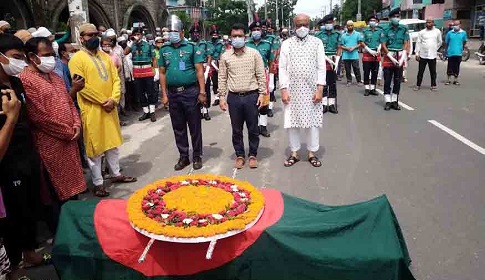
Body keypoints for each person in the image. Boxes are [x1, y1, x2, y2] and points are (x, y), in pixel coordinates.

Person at [20, 37, 87, 231]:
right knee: (56, 193)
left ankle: (75, 228)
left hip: (69, 141)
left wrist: (76, 124)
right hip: (49, 145)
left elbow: (69, 102)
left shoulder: (55, 77)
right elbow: (38, 116)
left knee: (72, 191)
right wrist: (67, 131)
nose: (51, 59)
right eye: (46, 55)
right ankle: (62, 234)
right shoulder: (26, 80)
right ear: (32, 57)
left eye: (53, 55)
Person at [69, 23, 137, 197]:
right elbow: (81, 86)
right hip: (92, 110)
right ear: (81, 38)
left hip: (110, 108)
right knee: (95, 148)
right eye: (88, 35)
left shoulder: (105, 56)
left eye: (95, 34)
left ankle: (115, 174)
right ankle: (98, 182)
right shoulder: (77, 59)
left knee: (112, 144)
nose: (93, 38)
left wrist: (113, 100)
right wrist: (103, 101)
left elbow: (115, 79)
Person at [0, 33, 47, 280]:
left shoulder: (16, 83)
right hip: (7, 162)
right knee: (12, 214)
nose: (21, 63)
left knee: (29, 205)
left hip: (26, 154)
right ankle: (14, 267)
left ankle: (30, 253)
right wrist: (11, 117)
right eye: (15, 58)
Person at [159, 15, 206, 171]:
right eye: (169, 31)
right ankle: (184, 156)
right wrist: (164, 94)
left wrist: (202, 91)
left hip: (190, 92)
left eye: (175, 31)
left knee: (194, 125)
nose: (171, 33)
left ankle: (197, 155)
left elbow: (199, 70)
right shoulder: (164, 49)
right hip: (173, 94)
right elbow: (162, 73)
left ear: (182, 32)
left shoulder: (191, 47)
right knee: (178, 127)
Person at [279, 14, 326, 168]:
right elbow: (282, 68)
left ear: (309, 25)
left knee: (313, 122)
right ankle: (294, 153)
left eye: (305, 24)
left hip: (312, 89)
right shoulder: (286, 44)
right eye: (299, 25)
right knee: (292, 122)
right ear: (294, 26)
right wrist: (284, 90)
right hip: (292, 90)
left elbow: (321, 67)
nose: (302, 28)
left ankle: (312, 153)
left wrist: (320, 89)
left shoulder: (317, 43)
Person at [218, 23, 267, 169]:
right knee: (236, 129)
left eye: (240, 36)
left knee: (253, 128)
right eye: (234, 36)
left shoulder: (254, 54)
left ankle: (252, 154)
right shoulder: (225, 56)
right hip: (234, 98)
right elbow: (222, 77)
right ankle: (240, 155)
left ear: (245, 37)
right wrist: (221, 96)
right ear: (230, 38)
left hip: (251, 96)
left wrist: (262, 93)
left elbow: (260, 75)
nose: (237, 38)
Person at [247, 19, 274, 138]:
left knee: (264, 103)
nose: (256, 32)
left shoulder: (267, 44)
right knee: (253, 102)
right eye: (254, 30)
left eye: (258, 29)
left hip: (264, 75)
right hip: (250, 76)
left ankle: (263, 127)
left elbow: (271, 62)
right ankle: (255, 127)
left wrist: (272, 79)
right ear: (250, 32)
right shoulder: (246, 45)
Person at [125, 27, 158, 122]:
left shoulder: (148, 45)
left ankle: (152, 112)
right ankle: (146, 112)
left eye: (138, 34)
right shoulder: (132, 45)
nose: (137, 36)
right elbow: (124, 52)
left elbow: (154, 59)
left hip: (147, 71)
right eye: (135, 35)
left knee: (150, 92)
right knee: (140, 93)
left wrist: (156, 71)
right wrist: (131, 43)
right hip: (137, 73)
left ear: (142, 35)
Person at [381, 8, 410, 111]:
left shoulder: (404, 28)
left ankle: (395, 100)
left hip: (400, 55)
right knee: (387, 80)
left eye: (398, 17)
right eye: (394, 17)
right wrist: (390, 56)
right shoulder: (385, 29)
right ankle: (387, 101)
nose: (396, 19)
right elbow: (383, 44)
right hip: (389, 56)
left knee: (397, 81)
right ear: (390, 18)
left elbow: (406, 42)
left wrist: (403, 57)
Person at [316, 14, 341, 114]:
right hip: (322, 60)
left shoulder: (338, 34)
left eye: (330, 23)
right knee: (323, 82)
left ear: (333, 23)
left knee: (332, 82)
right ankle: (324, 104)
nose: (329, 25)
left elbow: (339, 47)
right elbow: (317, 50)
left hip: (334, 59)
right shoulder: (319, 35)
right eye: (327, 23)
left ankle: (331, 104)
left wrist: (337, 60)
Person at [189, 22, 211, 121]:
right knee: (195, 91)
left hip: (204, 68)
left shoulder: (204, 44)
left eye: (197, 32)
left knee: (205, 90)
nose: (195, 34)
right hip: (193, 71)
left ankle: (205, 111)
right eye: (193, 33)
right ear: (190, 34)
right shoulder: (188, 45)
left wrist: (207, 70)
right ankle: (197, 111)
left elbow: (209, 56)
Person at [414, 17, 442, 91]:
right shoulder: (422, 32)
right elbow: (418, 43)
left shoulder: (437, 31)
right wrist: (417, 53)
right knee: (420, 71)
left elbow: (440, 42)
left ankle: (433, 85)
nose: (428, 24)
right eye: (427, 22)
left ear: (433, 23)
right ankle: (418, 85)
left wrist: (435, 48)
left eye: (429, 22)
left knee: (433, 71)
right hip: (423, 55)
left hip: (432, 55)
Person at [261, 19, 280, 118]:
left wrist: (272, 64)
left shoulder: (272, 38)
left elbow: (276, 51)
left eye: (264, 27)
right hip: (258, 69)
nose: (263, 29)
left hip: (269, 66)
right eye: (262, 28)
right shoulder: (255, 39)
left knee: (271, 88)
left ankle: (270, 108)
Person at [360, 15, 383, 96]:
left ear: (376, 22)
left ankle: (373, 88)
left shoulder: (380, 31)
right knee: (366, 72)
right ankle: (367, 88)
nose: (373, 22)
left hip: (376, 54)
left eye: (374, 20)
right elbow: (361, 42)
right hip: (367, 54)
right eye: (371, 20)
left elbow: (382, 41)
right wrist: (369, 50)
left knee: (375, 72)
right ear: (368, 22)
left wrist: (379, 48)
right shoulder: (365, 31)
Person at [340, 20, 362, 86]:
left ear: (353, 26)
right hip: (346, 55)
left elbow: (360, 43)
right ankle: (349, 81)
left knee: (356, 68)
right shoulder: (343, 35)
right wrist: (346, 48)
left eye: (351, 25)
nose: (350, 27)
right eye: (348, 25)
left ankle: (359, 81)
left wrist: (354, 47)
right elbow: (341, 45)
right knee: (347, 69)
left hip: (354, 55)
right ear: (346, 26)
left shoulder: (357, 34)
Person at [445, 20, 467, 86]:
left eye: (457, 25)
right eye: (454, 25)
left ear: (460, 25)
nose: (455, 26)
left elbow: (464, 41)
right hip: (450, 52)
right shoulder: (449, 33)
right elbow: (446, 43)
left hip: (459, 53)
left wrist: (462, 49)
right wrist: (446, 51)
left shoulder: (463, 33)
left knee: (457, 67)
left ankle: (455, 80)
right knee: (450, 66)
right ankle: (448, 80)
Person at [207, 25, 224, 107]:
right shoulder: (208, 44)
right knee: (213, 82)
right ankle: (216, 98)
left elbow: (222, 54)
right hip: (210, 64)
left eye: (216, 35)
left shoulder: (221, 44)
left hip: (218, 63)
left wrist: (220, 65)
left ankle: (220, 97)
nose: (215, 36)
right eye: (213, 35)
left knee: (219, 81)